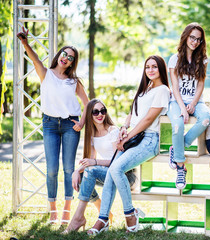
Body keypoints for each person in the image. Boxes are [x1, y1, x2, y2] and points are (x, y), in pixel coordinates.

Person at [87, 55, 170, 235]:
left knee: (115, 169)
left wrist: (127, 137)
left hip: (149, 140)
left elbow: (148, 119)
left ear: (161, 69)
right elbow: (132, 114)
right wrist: (124, 128)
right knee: (112, 170)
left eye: (154, 66)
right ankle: (103, 219)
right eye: (147, 66)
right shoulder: (145, 89)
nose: (150, 70)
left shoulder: (162, 90)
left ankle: (130, 213)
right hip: (134, 137)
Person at [17, 27, 89, 225]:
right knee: (51, 169)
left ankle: (67, 209)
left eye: (71, 57)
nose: (66, 58)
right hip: (49, 124)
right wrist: (25, 43)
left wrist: (81, 122)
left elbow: (87, 103)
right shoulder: (46, 73)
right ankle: (53, 210)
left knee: (68, 168)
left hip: (69, 125)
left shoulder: (74, 81)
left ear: (73, 63)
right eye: (64, 54)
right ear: (59, 55)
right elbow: (35, 59)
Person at [62, 99, 136, 233]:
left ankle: (79, 218)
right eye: (95, 112)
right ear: (90, 115)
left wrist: (94, 163)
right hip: (109, 174)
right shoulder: (92, 135)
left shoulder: (113, 131)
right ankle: (100, 209)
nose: (100, 114)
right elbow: (90, 159)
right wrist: (76, 171)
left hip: (125, 175)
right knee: (83, 174)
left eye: (103, 110)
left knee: (89, 172)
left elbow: (116, 161)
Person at [167, 22, 210, 190]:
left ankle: (178, 146)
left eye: (198, 39)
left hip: (196, 101)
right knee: (177, 125)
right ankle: (180, 165)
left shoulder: (202, 60)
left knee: (206, 118)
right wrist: (183, 108)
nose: (195, 42)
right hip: (176, 101)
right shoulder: (174, 59)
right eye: (192, 37)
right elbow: (175, 87)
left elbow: (200, 85)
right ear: (185, 37)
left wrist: (192, 103)